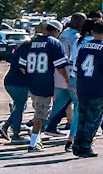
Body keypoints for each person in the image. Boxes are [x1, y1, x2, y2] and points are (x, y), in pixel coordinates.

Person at [20, 21, 71, 152]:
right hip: (45, 83)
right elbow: (60, 66)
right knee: (40, 116)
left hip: (31, 83)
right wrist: (67, 79)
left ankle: (35, 139)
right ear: (56, 31)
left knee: (39, 112)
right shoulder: (54, 43)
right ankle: (33, 142)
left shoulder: (31, 42)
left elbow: (22, 65)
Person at [70, 20, 103, 158]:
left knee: (82, 117)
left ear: (92, 32)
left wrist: (77, 86)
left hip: (83, 85)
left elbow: (77, 70)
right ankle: (86, 145)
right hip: (96, 86)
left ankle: (77, 143)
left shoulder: (83, 47)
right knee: (94, 118)